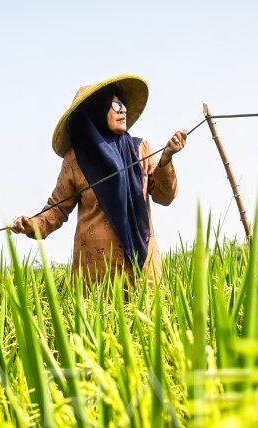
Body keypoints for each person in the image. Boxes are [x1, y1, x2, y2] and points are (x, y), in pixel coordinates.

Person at [10, 74, 187, 286]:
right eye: (114, 105)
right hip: (95, 273)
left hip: (143, 268)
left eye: (123, 105)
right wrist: (31, 225)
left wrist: (166, 158)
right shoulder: (75, 160)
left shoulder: (141, 149)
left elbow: (165, 196)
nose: (122, 110)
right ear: (96, 110)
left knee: (148, 315)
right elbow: (56, 209)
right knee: (96, 317)